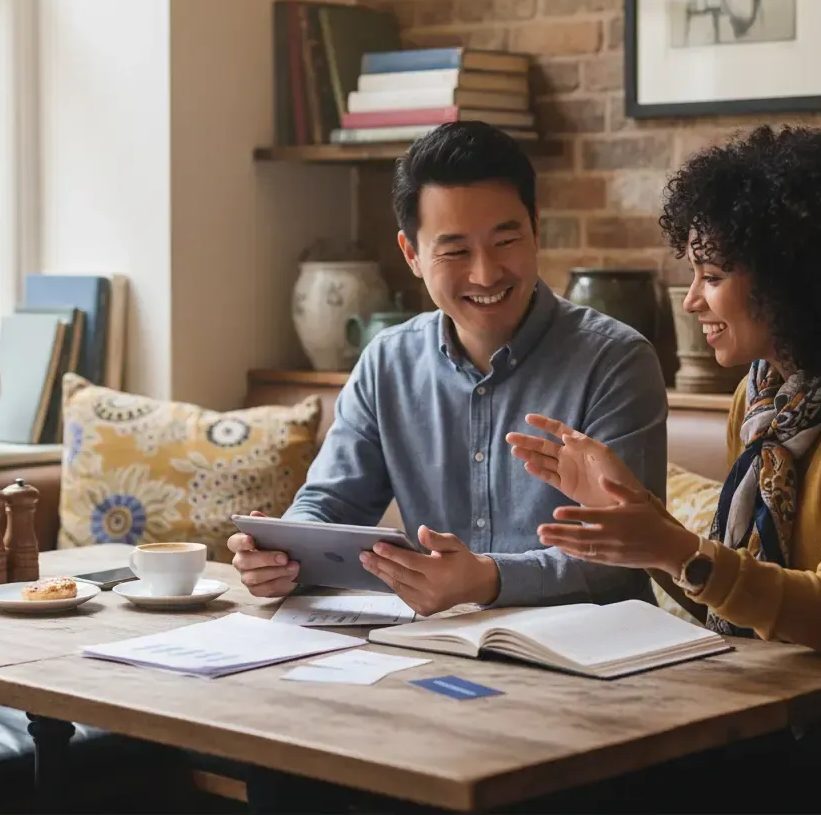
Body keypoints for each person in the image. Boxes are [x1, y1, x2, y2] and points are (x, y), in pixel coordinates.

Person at [227, 121, 667, 616]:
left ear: (536, 229)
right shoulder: (387, 362)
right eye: (456, 251)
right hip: (437, 650)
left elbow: (626, 555)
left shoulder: (615, 361)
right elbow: (331, 505)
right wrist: (282, 553)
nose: (485, 274)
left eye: (505, 241)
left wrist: (488, 579)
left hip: (596, 654)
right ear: (411, 254)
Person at [508, 124, 821, 655]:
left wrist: (674, 548)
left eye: (713, 276)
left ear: (790, 280)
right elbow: (734, 604)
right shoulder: (759, 398)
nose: (691, 300)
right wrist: (640, 520)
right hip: (765, 698)